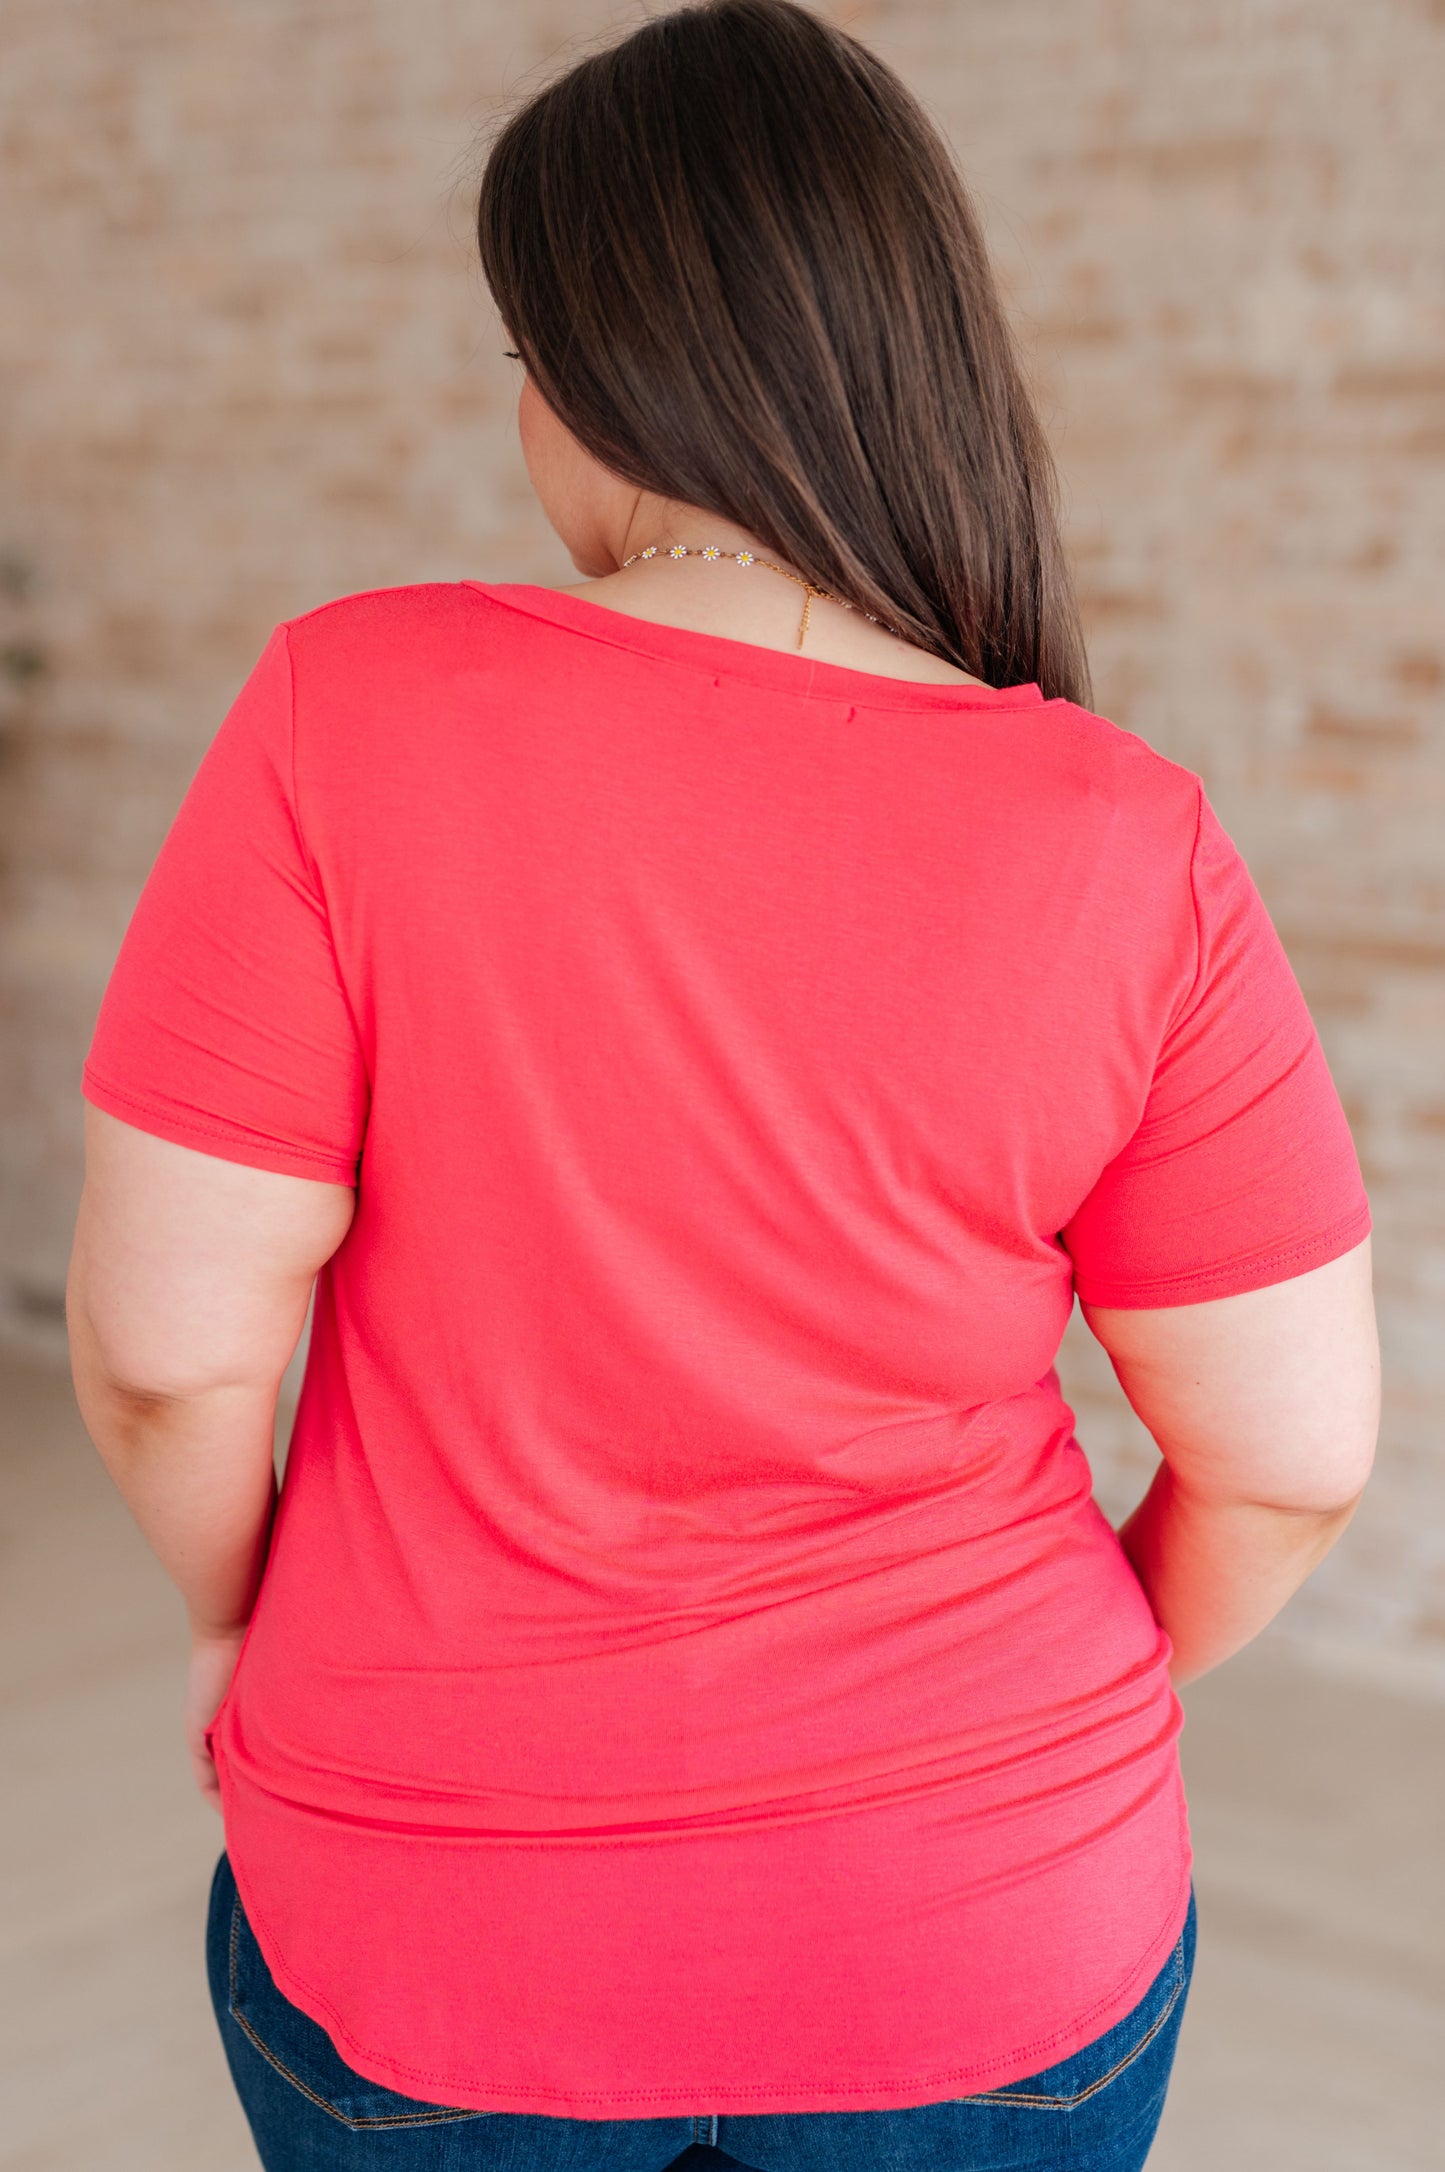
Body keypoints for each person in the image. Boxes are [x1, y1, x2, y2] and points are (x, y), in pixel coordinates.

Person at [66, 2, 1379, 2167]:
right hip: (994, 1945)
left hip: (421, 1914)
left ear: (605, 372)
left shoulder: (344, 713)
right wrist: (1026, 1724)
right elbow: (1296, 1456)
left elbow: (163, 1356)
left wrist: (234, 1620)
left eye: (524, 362)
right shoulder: (1119, 830)